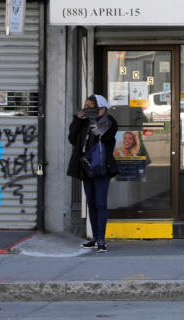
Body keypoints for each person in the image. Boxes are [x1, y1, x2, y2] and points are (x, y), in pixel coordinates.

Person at [67, 94, 118, 253]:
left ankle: (102, 240)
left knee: (101, 203)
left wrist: (100, 117)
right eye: (86, 106)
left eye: (90, 107)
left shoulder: (109, 122)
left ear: (101, 107)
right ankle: (95, 237)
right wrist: (78, 119)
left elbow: (109, 137)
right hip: (86, 167)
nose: (87, 109)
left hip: (101, 167)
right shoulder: (82, 123)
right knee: (91, 203)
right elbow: (72, 139)